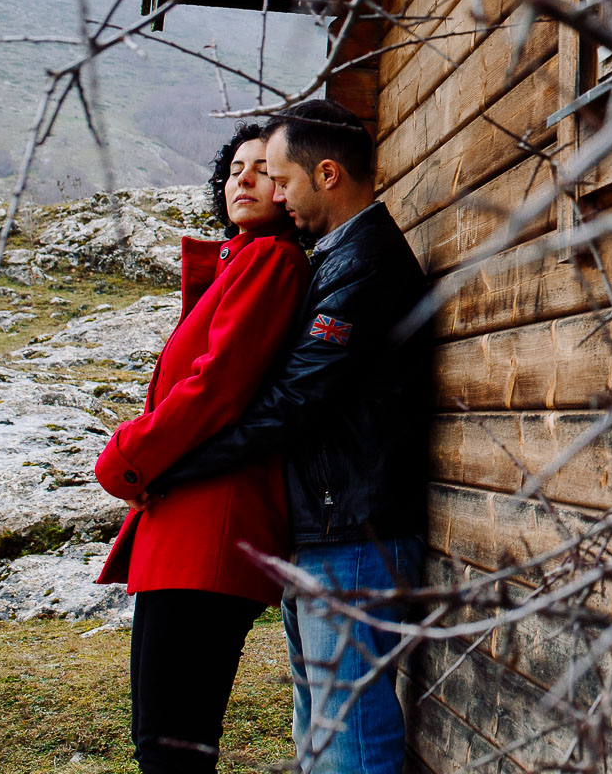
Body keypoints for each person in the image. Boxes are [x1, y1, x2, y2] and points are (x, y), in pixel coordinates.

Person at [150, 99, 431, 774]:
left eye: (282, 178)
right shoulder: (339, 257)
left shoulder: (365, 264)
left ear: (327, 174)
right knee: (317, 734)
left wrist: (178, 462)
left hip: (356, 534)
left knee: (349, 743)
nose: (274, 193)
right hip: (326, 527)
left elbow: (294, 400)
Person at [94, 124, 313, 774]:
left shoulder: (272, 260)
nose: (241, 179)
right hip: (187, 532)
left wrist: (126, 455)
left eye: (262, 170)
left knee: (171, 748)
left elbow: (216, 388)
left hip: (209, 534)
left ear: (293, 186)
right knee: (165, 744)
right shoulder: (242, 263)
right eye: (234, 169)